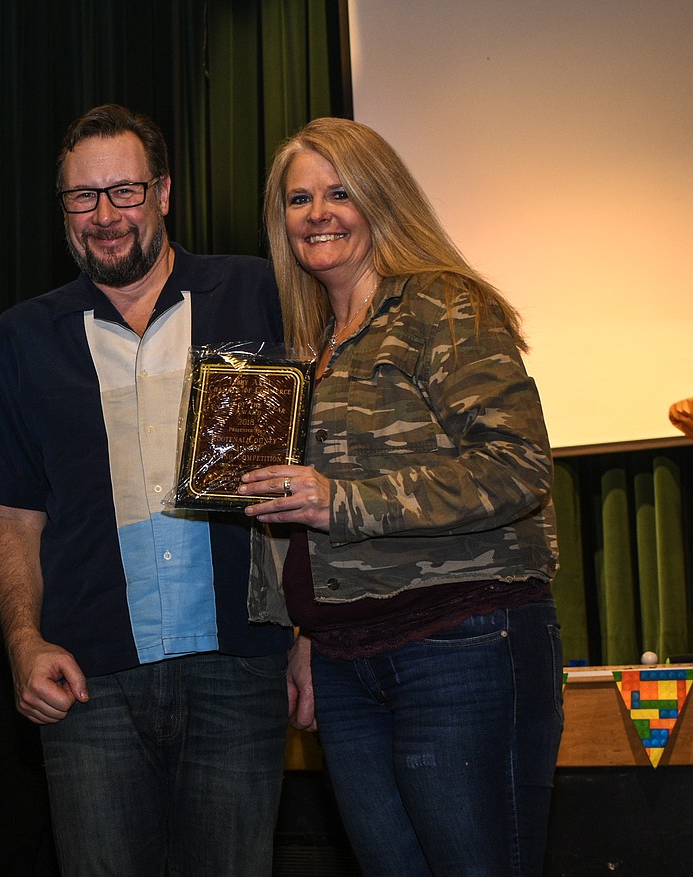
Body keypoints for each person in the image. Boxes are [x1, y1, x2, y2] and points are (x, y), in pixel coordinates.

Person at [0, 103, 294, 876]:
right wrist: (22, 640)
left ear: (165, 193)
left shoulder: (263, 297)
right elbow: (12, 513)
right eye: (83, 196)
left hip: (241, 669)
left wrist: (314, 634)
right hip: (89, 685)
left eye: (125, 191)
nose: (105, 215)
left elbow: (317, 470)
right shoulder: (17, 343)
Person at [237, 117, 563, 876]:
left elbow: (518, 467)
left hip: (461, 643)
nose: (317, 212)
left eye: (339, 191)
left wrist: (338, 500)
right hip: (349, 663)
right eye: (298, 198)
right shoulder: (306, 348)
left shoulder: (443, 304)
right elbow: (301, 522)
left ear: (382, 198)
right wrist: (306, 636)